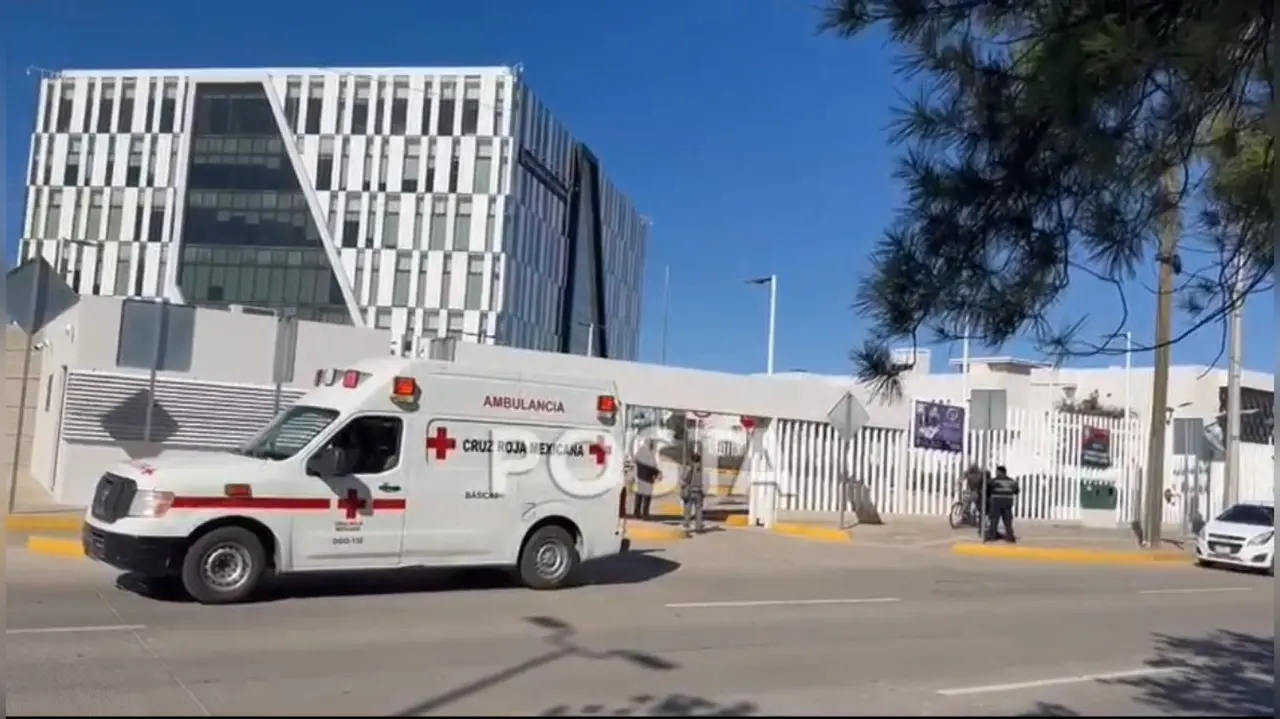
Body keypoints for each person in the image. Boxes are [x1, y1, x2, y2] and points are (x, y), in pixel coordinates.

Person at [985, 465, 1020, 542]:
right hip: (1007, 503)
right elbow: (1016, 491)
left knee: (994, 520)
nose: (996, 473)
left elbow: (988, 491)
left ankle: (992, 537)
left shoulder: (993, 481)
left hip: (996, 502)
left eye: (997, 472)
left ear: (1000, 472)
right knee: (1007, 521)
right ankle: (1010, 538)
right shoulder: (1012, 481)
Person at [631, 440, 660, 519]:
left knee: (646, 495)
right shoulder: (643, 450)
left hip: (648, 477)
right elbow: (637, 462)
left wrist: (657, 473)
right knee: (641, 494)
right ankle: (638, 512)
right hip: (642, 476)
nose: (652, 444)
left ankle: (644, 512)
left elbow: (654, 464)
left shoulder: (652, 452)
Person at [680, 451, 707, 535]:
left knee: (687, 508)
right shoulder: (702, 470)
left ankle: (686, 524)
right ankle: (698, 526)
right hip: (699, 491)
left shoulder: (690, 468)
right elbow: (706, 482)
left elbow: (684, 479)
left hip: (690, 491)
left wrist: (682, 484)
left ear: (692, 460)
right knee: (699, 510)